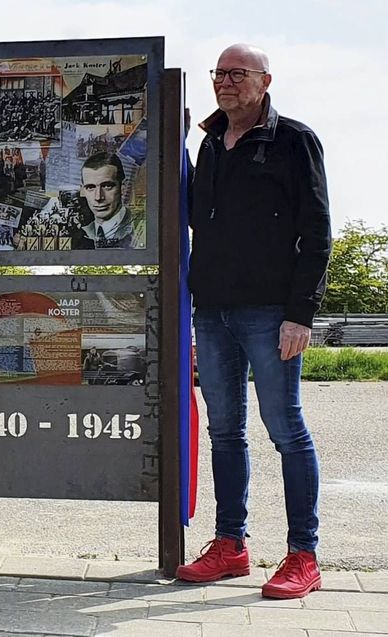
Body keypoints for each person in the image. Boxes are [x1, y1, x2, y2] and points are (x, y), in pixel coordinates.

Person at [176, 44, 331, 600]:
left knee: (286, 430)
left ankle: (303, 555)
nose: (226, 82)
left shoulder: (294, 140)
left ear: (265, 81)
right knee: (224, 432)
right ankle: (230, 546)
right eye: (219, 73)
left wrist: (300, 315)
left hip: (271, 313)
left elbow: (317, 234)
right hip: (212, 311)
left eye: (237, 74)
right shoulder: (209, 143)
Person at [71, 152, 134, 249]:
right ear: (83, 190)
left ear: (123, 188)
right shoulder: (79, 234)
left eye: (107, 186)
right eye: (90, 187)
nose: (98, 197)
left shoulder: (138, 229)